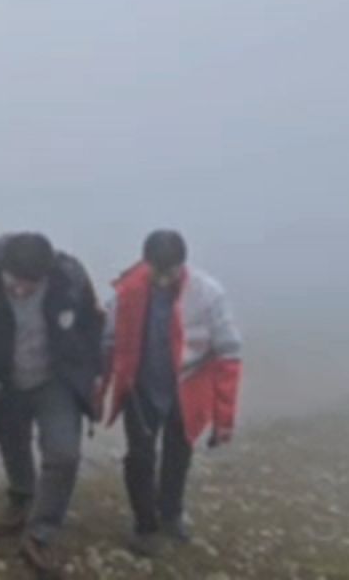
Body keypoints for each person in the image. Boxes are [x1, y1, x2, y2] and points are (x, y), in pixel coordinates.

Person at [0, 233, 104, 577]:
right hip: (3, 380)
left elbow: (91, 322)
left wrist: (91, 372)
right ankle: (22, 495)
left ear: (46, 273)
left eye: (32, 284)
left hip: (56, 379)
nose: (21, 291)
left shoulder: (69, 277)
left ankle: (41, 534)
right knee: (12, 441)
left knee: (64, 454)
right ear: (2, 269)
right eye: (14, 283)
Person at [103, 230, 243, 557]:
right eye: (157, 271)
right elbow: (108, 342)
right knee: (139, 456)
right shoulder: (126, 292)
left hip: (187, 387)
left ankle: (171, 513)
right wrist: (98, 390)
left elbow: (229, 353)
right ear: (145, 263)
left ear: (183, 265)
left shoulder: (208, 295)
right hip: (141, 388)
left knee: (178, 454)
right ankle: (144, 524)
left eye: (171, 272)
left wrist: (224, 418)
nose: (164, 280)